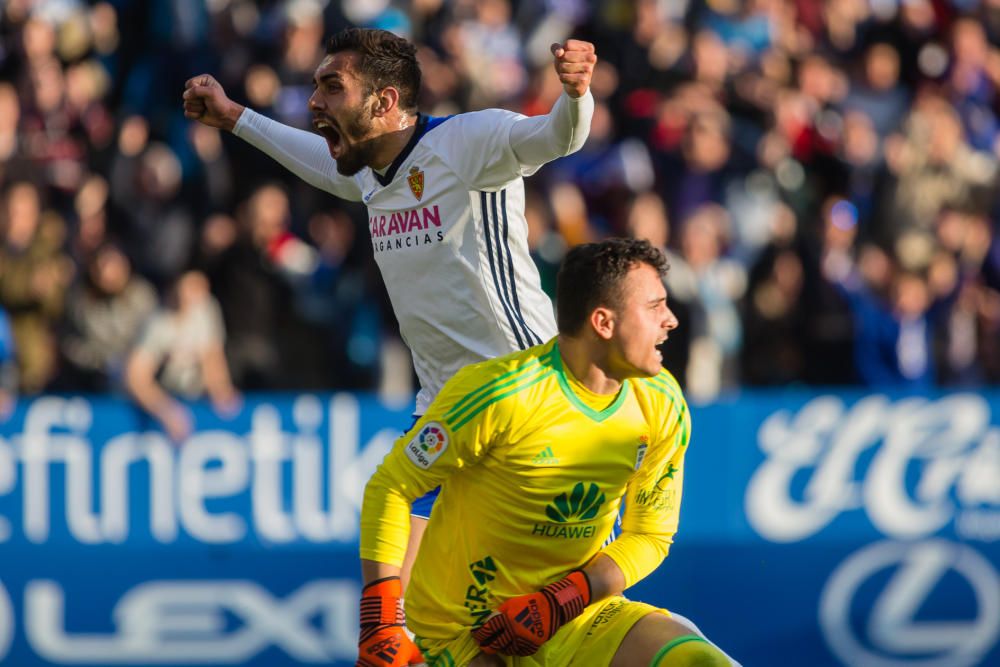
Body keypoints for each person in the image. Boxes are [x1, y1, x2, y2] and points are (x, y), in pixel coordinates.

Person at [182, 27, 596, 584]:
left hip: (528, 397)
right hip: (444, 409)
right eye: (315, 86)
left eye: (332, 87)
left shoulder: (468, 142)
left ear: (385, 101)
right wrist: (235, 117)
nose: (314, 101)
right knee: (399, 603)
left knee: (564, 608)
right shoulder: (373, 177)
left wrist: (575, 96)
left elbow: (555, 138)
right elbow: (321, 165)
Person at [357, 239, 733, 666]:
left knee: (698, 661)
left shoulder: (663, 402)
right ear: (603, 323)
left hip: (575, 614)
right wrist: (381, 621)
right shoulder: (500, 394)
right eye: (655, 307)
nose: (671, 320)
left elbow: (650, 535)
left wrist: (563, 599)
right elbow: (392, 484)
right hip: (464, 632)